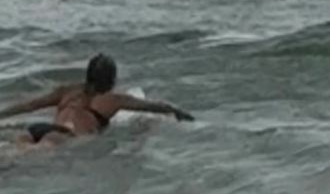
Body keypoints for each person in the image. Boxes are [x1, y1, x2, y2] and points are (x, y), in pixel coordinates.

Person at [0, 53, 194, 150]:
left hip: (37, 128)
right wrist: (176, 111)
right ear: (111, 79)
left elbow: (29, 105)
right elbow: (151, 106)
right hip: (63, 135)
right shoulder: (112, 100)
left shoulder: (67, 90)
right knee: (28, 157)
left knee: (13, 153)